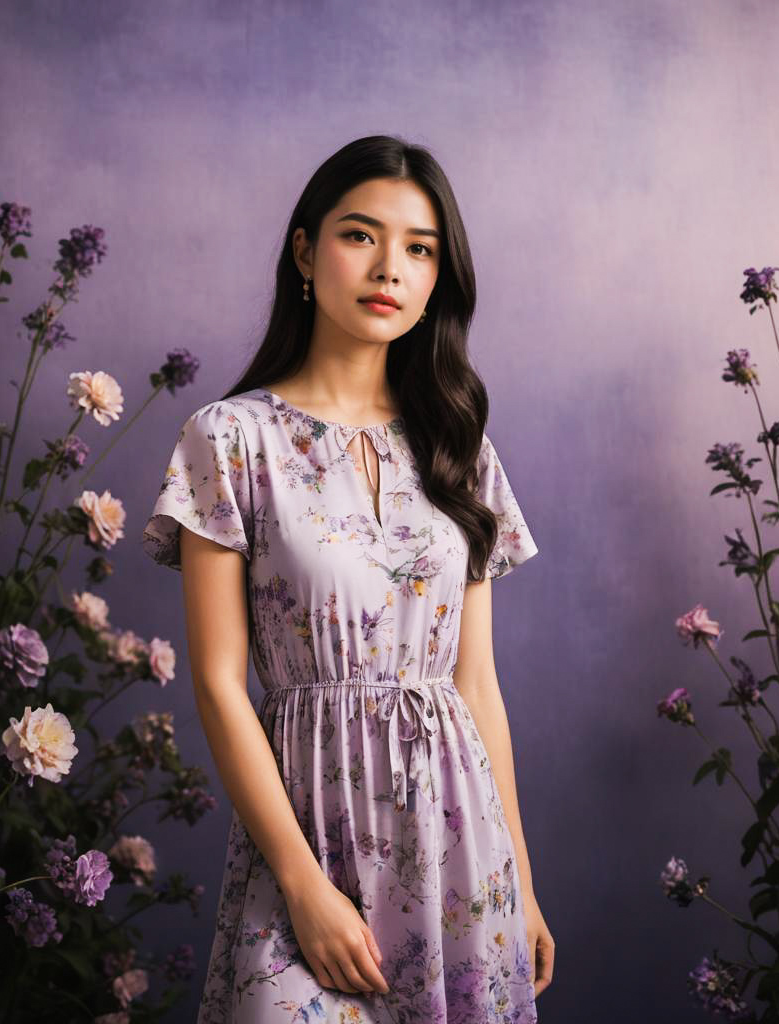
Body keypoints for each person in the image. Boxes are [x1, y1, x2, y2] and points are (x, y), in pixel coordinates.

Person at [142, 134, 555, 1023]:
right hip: (307, 839)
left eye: (419, 249)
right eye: (360, 236)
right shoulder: (227, 439)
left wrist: (517, 876)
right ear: (305, 251)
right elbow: (218, 684)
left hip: (460, 847)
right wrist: (301, 886)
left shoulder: (458, 447)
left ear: (439, 276)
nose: (389, 268)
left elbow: (476, 684)